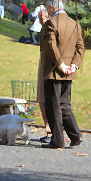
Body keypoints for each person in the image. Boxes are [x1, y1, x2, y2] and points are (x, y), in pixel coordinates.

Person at [40, 0, 84, 149]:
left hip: (53, 71)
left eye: (47, 6)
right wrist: (74, 66)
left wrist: (61, 65)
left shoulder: (51, 23)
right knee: (64, 104)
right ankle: (75, 136)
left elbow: (51, 46)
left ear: (52, 7)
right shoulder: (74, 24)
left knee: (53, 106)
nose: (46, 9)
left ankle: (58, 140)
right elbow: (80, 47)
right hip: (68, 72)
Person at [36, 9, 52, 143]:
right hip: (42, 64)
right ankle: (48, 130)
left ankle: (52, 132)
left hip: (49, 66)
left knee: (47, 100)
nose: (40, 21)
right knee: (41, 100)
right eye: (39, 18)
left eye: (41, 18)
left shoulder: (51, 28)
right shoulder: (43, 30)